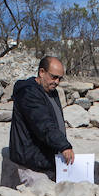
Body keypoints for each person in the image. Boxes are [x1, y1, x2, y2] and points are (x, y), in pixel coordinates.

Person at [8, 55, 75, 185]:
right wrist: (64, 146)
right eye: (53, 77)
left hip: (47, 162)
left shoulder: (51, 92)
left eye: (59, 78)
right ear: (42, 72)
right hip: (31, 165)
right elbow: (43, 124)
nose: (56, 82)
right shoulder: (29, 93)